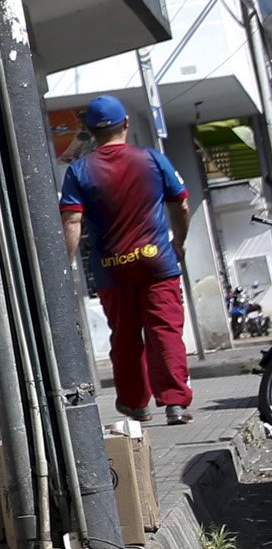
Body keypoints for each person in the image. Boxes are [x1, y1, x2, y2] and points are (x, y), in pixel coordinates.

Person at [58, 94, 194, 426]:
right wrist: (180, 242)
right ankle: (175, 404)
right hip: (157, 263)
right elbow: (181, 205)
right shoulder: (151, 159)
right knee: (164, 330)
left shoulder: (78, 171)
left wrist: (65, 266)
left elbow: (72, 222)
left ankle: (135, 405)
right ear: (127, 124)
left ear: (88, 131)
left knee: (124, 336)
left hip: (111, 269)